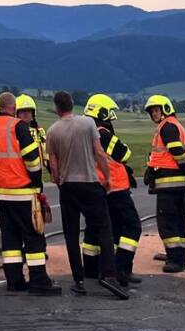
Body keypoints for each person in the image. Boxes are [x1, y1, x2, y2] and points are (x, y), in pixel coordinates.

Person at [45, 91, 129, 299]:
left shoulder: (52, 131)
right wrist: (107, 177)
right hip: (90, 183)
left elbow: (53, 162)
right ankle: (109, 275)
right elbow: (99, 153)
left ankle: (79, 282)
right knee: (104, 228)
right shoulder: (88, 124)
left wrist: (58, 180)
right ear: (72, 104)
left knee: (71, 235)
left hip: (68, 186)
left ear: (57, 108)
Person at [0, 91, 61, 295]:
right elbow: (33, 160)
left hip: (1, 193)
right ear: (14, 108)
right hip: (23, 191)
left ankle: (14, 281)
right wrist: (36, 183)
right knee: (34, 236)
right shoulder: (18, 126)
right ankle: (39, 281)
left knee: (10, 239)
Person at [87, 95, 144, 284]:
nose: (111, 117)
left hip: (99, 188)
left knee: (105, 229)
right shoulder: (102, 134)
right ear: (102, 113)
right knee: (133, 227)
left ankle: (95, 269)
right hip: (116, 188)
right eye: (109, 113)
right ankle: (122, 269)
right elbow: (124, 153)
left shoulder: (85, 133)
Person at [144, 94, 185, 272]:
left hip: (168, 184)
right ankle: (183, 257)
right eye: (152, 112)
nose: (154, 114)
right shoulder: (174, 125)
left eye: (156, 110)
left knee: (167, 223)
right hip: (176, 184)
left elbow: (177, 151)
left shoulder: (167, 127)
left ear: (165, 109)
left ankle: (175, 259)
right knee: (179, 221)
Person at [15, 93, 49, 172]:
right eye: (22, 111)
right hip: (19, 173)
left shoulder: (39, 131)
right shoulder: (12, 131)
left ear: (33, 113)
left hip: (37, 172)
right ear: (16, 113)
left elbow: (46, 152)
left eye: (29, 111)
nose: (26, 113)